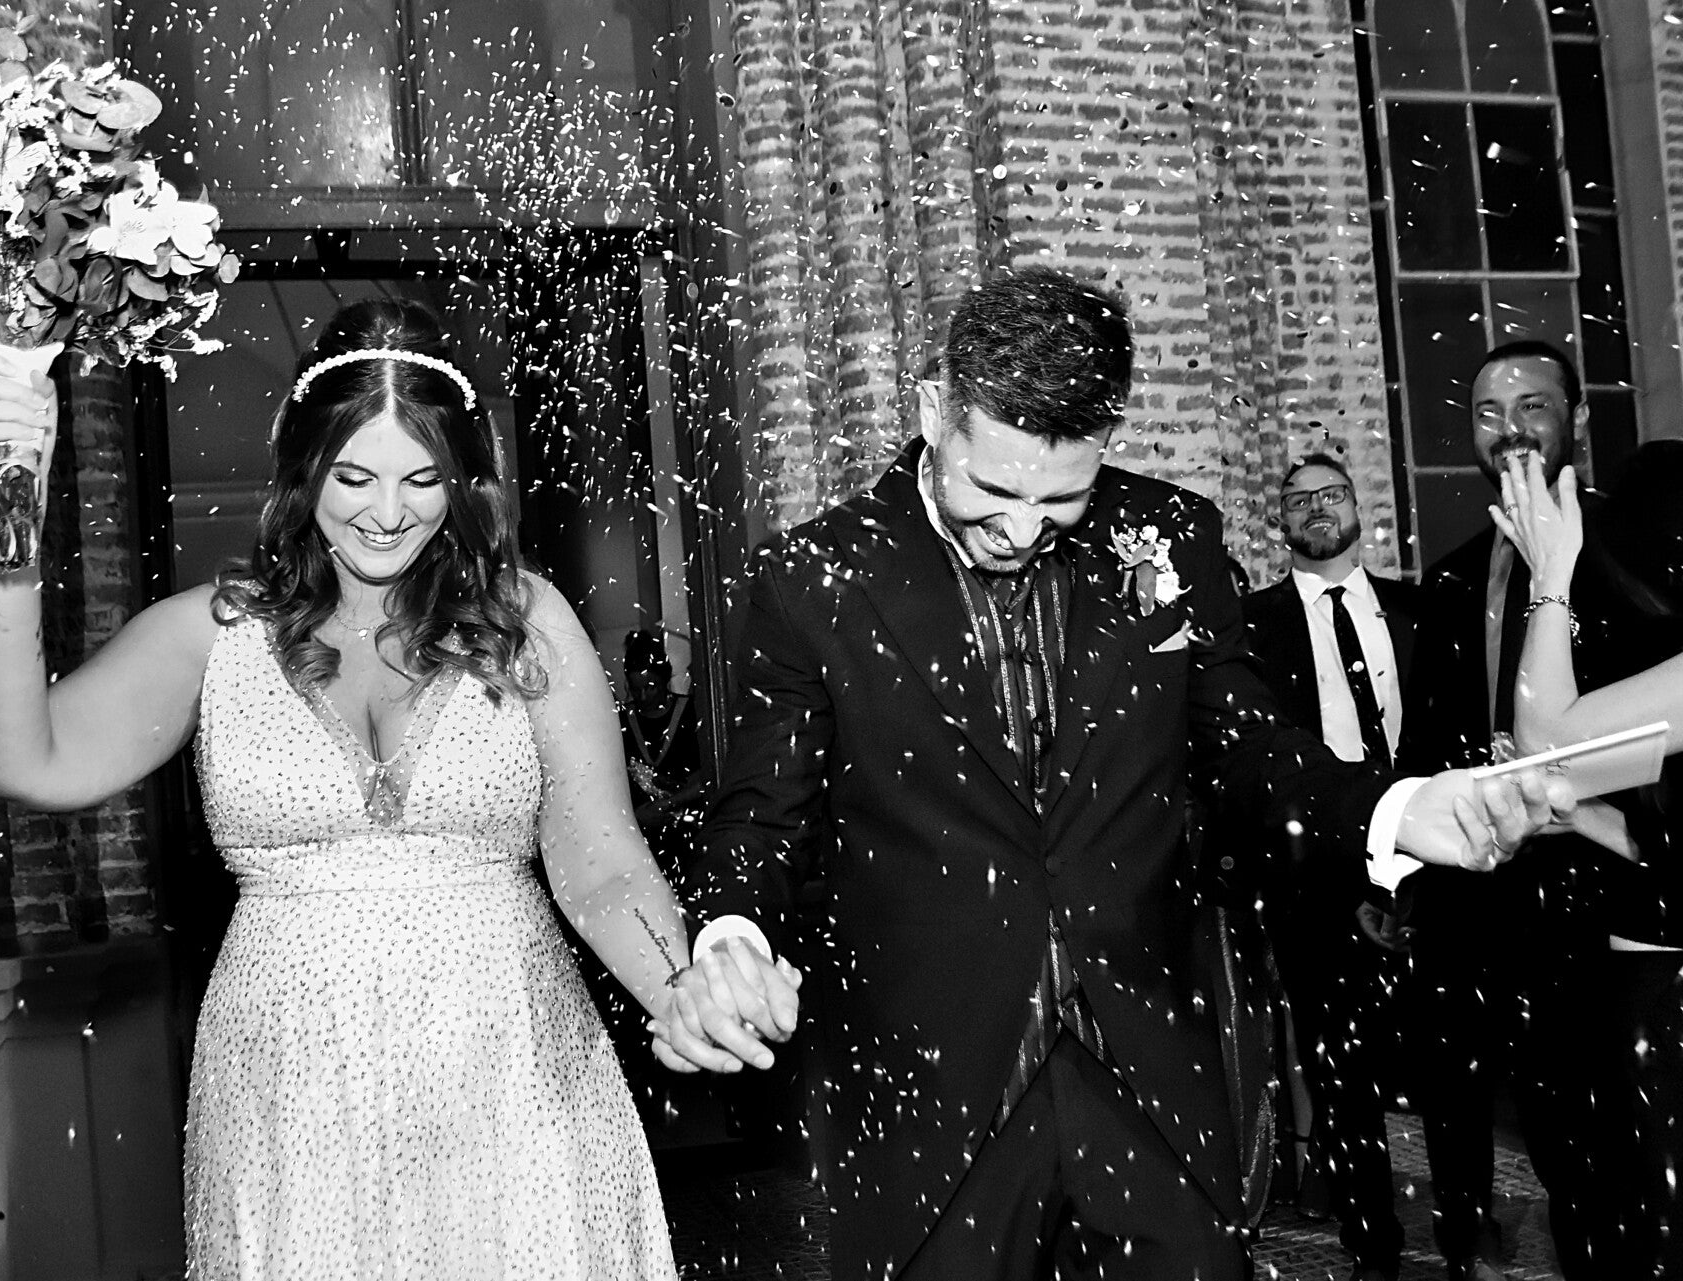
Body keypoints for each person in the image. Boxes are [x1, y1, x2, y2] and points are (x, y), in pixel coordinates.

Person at [658, 267, 1570, 1281]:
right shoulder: (814, 576)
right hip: (929, 1104)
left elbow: (1252, 748)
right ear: (934, 413)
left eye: (1061, 499)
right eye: (993, 492)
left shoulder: (1173, 536)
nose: (1021, 530)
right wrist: (729, 939)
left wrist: (1398, 809)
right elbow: (761, 817)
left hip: (1150, 1091)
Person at [0, 300, 770, 1279]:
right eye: (354, 477)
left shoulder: (524, 619)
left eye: (422, 479)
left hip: (512, 1076)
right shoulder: (216, 635)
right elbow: (13, 760)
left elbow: (599, 858)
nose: (388, 512)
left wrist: (676, 989)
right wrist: (11, 511)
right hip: (292, 1095)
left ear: (462, 479)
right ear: (304, 469)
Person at [1395, 340, 1649, 1280]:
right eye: (1488, 413)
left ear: (1576, 418)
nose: (1510, 429)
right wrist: (1406, 871)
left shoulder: (1632, 551)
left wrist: (1575, 788)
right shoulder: (1454, 575)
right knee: (1510, 1115)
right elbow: (1427, 740)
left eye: (1533, 405)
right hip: (1479, 894)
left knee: (1608, 1139)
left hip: (1606, 888)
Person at [1492, 441, 1683, 1275]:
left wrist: (1551, 574)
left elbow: (1547, 738)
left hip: (1668, 995)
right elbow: (1660, 841)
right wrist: (1577, 809)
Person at [1241, 452, 1419, 1280]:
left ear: (1357, 506)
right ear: (1280, 520)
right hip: (1316, 872)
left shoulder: (1417, 609)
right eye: (1299, 499)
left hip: (1426, 854)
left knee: (1449, 1052)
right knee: (1340, 1066)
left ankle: (1462, 1225)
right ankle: (1371, 1241)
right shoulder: (1253, 624)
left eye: (1332, 494)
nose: (1317, 507)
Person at [619, 628, 707, 878]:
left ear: (665, 678)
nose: (643, 696)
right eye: (635, 689)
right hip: (641, 843)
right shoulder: (622, 722)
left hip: (691, 837)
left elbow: (708, 776)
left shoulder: (691, 713)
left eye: (651, 687)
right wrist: (637, 816)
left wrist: (668, 804)